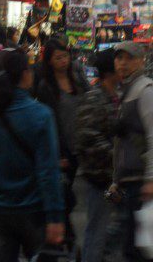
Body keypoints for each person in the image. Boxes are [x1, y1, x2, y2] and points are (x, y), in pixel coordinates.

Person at [0, 49, 64, 261]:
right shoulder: (41, 115)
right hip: (33, 210)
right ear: (25, 74)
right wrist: (55, 216)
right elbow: (48, 172)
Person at [35, 36, 89, 247]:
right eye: (58, 58)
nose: (63, 61)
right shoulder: (46, 87)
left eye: (65, 56)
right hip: (62, 148)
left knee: (76, 191)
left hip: (81, 144)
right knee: (65, 192)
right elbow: (50, 123)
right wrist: (58, 154)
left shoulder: (77, 78)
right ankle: (63, 234)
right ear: (49, 61)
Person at [102, 42, 153, 262]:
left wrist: (151, 179)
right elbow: (120, 143)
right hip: (127, 183)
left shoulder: (145, 90)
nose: (122, 63)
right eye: (119, 58)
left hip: (141, 183)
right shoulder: (125, 91)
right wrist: (115, 179)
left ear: (141, 61)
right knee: (130, 246)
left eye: (129, 58)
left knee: (139, 248)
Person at [75, 49, 119, 262]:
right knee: (97, 230)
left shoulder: (117, 96)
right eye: (120, 61)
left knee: (114, 226)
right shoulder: (94, 97)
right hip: (101, 179)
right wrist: (118, 155)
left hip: (115, 179)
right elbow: (87, 137)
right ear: (111, 71)